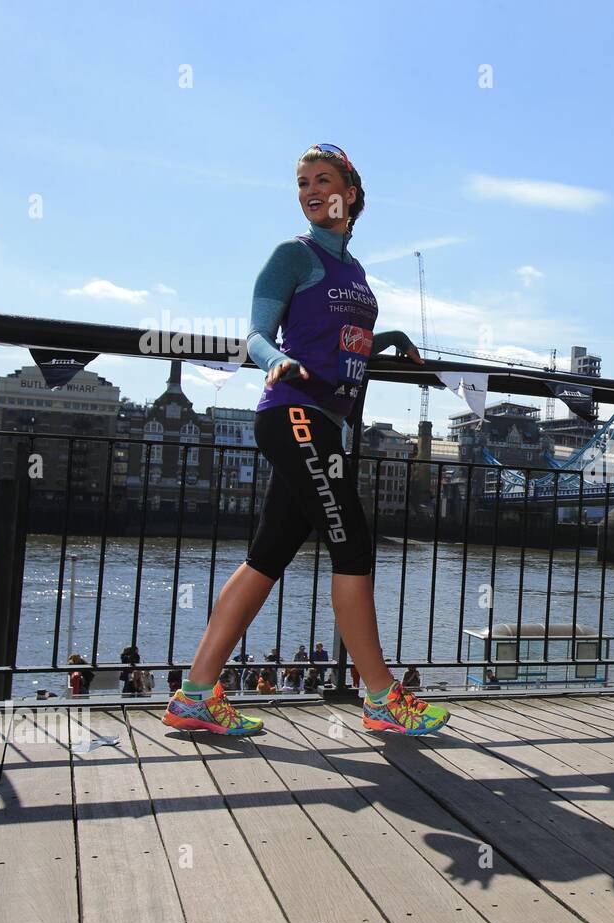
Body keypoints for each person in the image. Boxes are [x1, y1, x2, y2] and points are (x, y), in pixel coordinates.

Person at [162, 145, 448, 737]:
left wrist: (390, 336)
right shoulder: (292, 254)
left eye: (324, 180)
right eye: (302, 183)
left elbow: (350, 338)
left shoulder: (355, 273)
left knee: (266, 557)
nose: (312, 190)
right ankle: (380, 699)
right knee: (354, 543)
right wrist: (279, 361)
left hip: (326, 422)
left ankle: (194, 696)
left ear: (352, 191)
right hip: (294, 412)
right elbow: (256, 337)